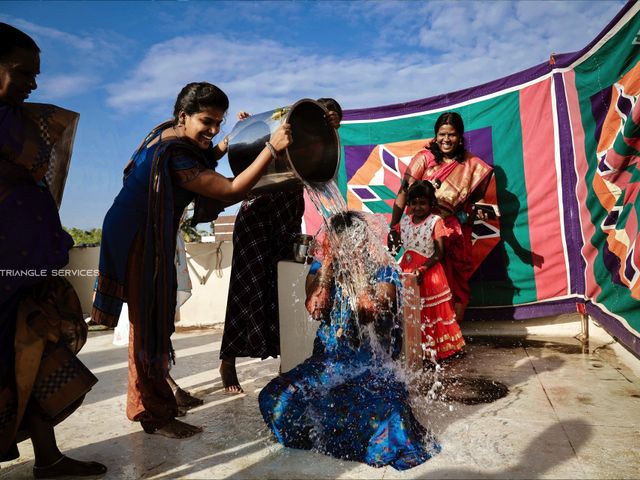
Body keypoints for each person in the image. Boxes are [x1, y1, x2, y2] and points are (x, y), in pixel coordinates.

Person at [91, 82, 292, 438]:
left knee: (155, 319)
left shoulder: (165, 134)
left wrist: (226, 142)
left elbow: (201, 159)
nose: (213, 130)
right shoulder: (176, 152)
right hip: (139, 236)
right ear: (183, 115)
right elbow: (230, 190)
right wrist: (269, 149)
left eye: (219, 123)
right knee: (147, 324)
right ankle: (151, 411)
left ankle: (158, 396)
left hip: (144, 229)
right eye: (207, 121)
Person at [0, 23, 107, 477]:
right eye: (23, 72)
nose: (33, 83)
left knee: (39, 360)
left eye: (35, 74)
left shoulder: (17, 120)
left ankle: (49, 458)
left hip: (28, 275)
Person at [259, 211, 440, 470]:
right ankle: (315, 438)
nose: (348, 253)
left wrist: (361, 282)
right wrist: (329, 264)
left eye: (353, 247)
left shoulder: (384, 273)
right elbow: (316, 306)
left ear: (364, 244)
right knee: (273, 397)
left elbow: (377, 306)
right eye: (338, 247)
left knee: (389, 418)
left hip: (371, 368)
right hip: (327, 365)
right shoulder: (321, 271)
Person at [219, 98, 342, 393]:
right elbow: (247, 153)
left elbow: (324, 175)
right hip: (258, 211)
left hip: (287, 212)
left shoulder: (321, 146)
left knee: (282, 289)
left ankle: (285, 361)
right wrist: (250, 129)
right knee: (245, 286)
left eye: (334, 120)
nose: (330, 122)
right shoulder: (284, 130)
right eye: (327, 116)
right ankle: (228, 360)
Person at [389, 112, 493, 321]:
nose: (447, 139)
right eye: (442, 134)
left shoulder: (470, 164)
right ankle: (423, 330)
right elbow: (403, 193)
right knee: (423, 277)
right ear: (436, 136)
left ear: (460, 136)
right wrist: (394, 227)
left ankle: (452, 334)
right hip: (421, 231)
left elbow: (475, 200)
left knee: (457, 279)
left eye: (452, 134)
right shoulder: (424, 159)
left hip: (453, 230)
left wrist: (476, 211)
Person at [388, 181, 465, 362]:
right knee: (412, 312)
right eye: (413, 203)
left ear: (431, 204)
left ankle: (438, 352)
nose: (418, 207)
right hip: (408, 272)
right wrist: (391, 239)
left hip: (429, 274)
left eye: (422, 203)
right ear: (408, 204)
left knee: (431, 313)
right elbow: (396, 244)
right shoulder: (404, 221)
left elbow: (439, 253)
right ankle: (417, 350)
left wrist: (423, 268)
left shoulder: (435, 221)